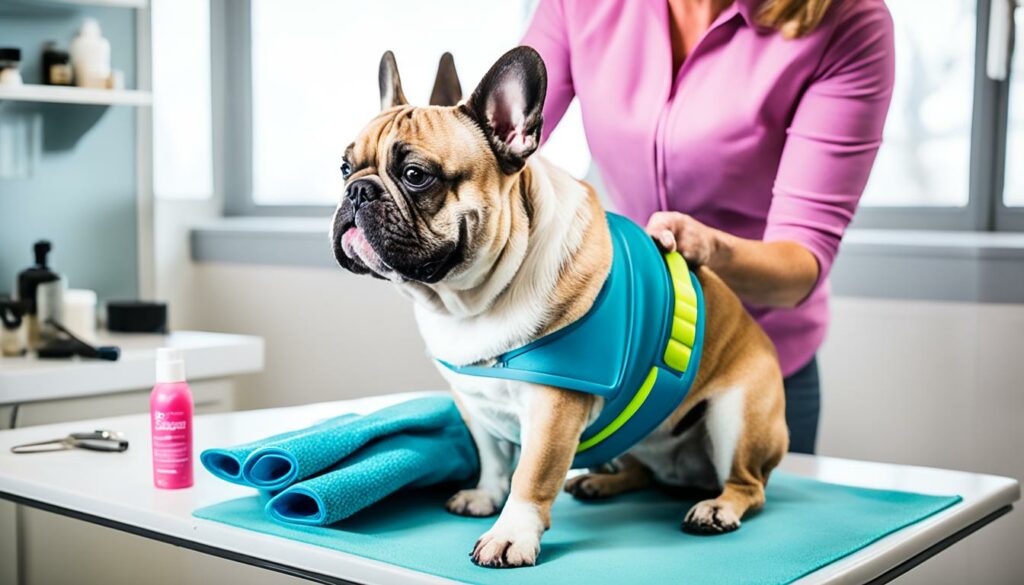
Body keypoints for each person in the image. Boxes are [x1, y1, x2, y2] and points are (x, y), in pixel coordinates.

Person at [522, 0, 895, 454]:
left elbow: (798, 266)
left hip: (748, 362)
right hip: (627, 353)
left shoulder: (847, 21)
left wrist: (710, 249)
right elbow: (493, 138)